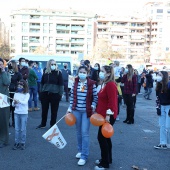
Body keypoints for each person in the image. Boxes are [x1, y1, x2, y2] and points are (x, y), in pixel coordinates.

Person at [67, 65, 98, 166]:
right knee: (78, 132)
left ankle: (84, 155)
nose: (82, 74)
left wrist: (93, 106)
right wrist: (70, 108)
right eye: (81, 72)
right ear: (78, 73)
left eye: (84, 72)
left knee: (85, 132)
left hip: (86, 112)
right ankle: (80, 151)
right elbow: (72, 97)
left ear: (87, 73)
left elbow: (95, 98)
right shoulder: (75, 83)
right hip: (76, 111)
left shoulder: (91, 84)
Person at [94, 65, 118, 170]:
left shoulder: (111, 85)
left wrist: (108, 115)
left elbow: (112, 102)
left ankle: (105, 163)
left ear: (108, 73)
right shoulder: (105, 84)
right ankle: (108, 159)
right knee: (106, 138)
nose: (100, 73)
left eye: (102, 71)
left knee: (101, 138)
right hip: (103, 115)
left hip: (108, 116)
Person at [36, 59, 64, 129]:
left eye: (54, 64)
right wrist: (41, 93)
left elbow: (61, 85)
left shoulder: (58, 73)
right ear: (49, 65)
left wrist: (60, 94)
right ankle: (43, 124)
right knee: (44, 110)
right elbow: (42, 83)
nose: (53, 65)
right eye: (52, 64)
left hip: (55, 94)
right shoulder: (45, 73)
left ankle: (53, 124)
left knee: (54, 111)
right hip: (45, 94)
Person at [154, 71, 170, 149]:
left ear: (164, 76)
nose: (158, 76)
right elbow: (157, 99)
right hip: (162, 106)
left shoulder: (169, 85)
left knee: (168, 126)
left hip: (168, 107)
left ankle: (168, 143)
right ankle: (162, 142)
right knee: (162, 126)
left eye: (160, 75)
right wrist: (158, 108)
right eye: (158, 74)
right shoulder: (158, 86)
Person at [12, 79, 30, 150]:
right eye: (18, 85)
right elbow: (13, 104)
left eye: (21, 86)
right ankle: (16, 142)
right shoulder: (16, 93)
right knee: (17, 129)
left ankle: (22, 142)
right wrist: (14, 103)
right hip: (16, 113)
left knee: (23, 129)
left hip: (24, 113)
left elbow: (25, 102)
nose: (19, 87)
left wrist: (18, 101)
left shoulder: (27, 94)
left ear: (24, 86)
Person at [0, 58, 11, 148]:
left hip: (3, 100)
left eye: (1, 64)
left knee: (3, 120)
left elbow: (7, 82)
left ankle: (4, 140)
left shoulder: (6, 74)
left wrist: (3, 71)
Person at [8, 61, 22, 127]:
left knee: (14, 107)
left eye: (10, 64)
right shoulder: (6, 72)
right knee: (7, 108)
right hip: (7, 92)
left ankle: (14, 122)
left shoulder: (17, 74)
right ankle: (7, 122)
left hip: (14, 92)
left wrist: (17, 87)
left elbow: (21, 82)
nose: (9, 65)